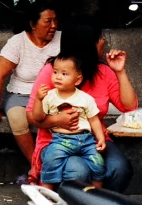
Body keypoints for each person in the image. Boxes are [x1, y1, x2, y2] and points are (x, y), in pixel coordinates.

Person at [26, 24, 138, 192]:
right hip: (55, 141)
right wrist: (58, 120)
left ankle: (100, 202)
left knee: (119, 169)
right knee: (79, 171)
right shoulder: (55, 71)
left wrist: (120, 71)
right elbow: (31, 116)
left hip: (93, 140)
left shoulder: (103, 72)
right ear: (88, 45)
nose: (103, 42)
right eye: (99, 39)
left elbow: (129, 107)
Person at [0, 0, 61, 178]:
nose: (54, 26)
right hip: (21, 95)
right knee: (18, 117)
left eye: (56, 21)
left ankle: (59, 163)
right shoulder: (18, 42)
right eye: (48, 21)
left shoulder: (62, 40)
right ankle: (36, 164)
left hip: (55, 95)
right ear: (33, 24)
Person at [32, 51, 106, 189]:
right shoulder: (49, 96)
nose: (58, 77)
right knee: (50, 161)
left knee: (98, 164)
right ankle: (47, 196)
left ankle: (97, 196)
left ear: (77, 80)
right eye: (55, 72)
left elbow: (94, 120)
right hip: (61, 140)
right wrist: (38, 100)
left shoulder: (85, 98)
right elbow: (38, 117)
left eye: (64, 74)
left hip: (87, 140)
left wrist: (100, 138)